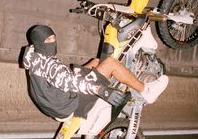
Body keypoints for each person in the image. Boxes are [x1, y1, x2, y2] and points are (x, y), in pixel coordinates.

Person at [23, 25, 169, 121]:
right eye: (48, 40)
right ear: (40, 43)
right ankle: (146, 91)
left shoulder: (34, 55)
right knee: (111, 63)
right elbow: (73, 83)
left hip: (53, 102)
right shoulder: (52, 66)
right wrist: (101, 90)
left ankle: (117, 76)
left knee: (95, 62)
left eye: (53, 38)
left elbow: (62, 78)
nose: (53, 42)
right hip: (68, 105)